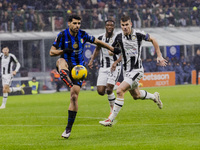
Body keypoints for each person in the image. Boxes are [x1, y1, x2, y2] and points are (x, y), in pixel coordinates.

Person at [49, 15, 121, 139]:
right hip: (66, 64)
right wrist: (63, 51)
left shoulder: (83, 34)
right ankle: (64, 76)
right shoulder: (62, 35)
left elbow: (97, 42)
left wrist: (112, 48)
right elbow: (51, 52)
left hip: (79, 68)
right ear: (69, 23)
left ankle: (68, 129)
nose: (77, 26)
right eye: (75, 23)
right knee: (60, 61)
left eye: (79, 23)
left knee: (74, 97)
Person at [99, 15, 167, 126]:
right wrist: (115, 51)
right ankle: (154, 97)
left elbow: (153, 39)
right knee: (136, 95)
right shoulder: (119, 37)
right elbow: (111, 51)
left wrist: (159, 55)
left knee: (120, 90)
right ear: (120, 26)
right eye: (122, 25)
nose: (125, 27)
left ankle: (110, 120)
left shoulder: (139, 34)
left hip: (137, 70)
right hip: (126, 71)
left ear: (131, 24)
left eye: (127, 25)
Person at [88, 19, 122, 117]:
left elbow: (124, 53)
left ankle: (113, 111)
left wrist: (116, 62)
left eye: (112, 25)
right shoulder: (100, 38)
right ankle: (115, 85)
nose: (110, 27)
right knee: (100, 91)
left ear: (114, 27)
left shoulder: (118, 38)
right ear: (105, 26)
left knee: (109, 89)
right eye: (108, 25)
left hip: (114, 67)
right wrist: (91, 61)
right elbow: (97, 50)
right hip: (103, 67)